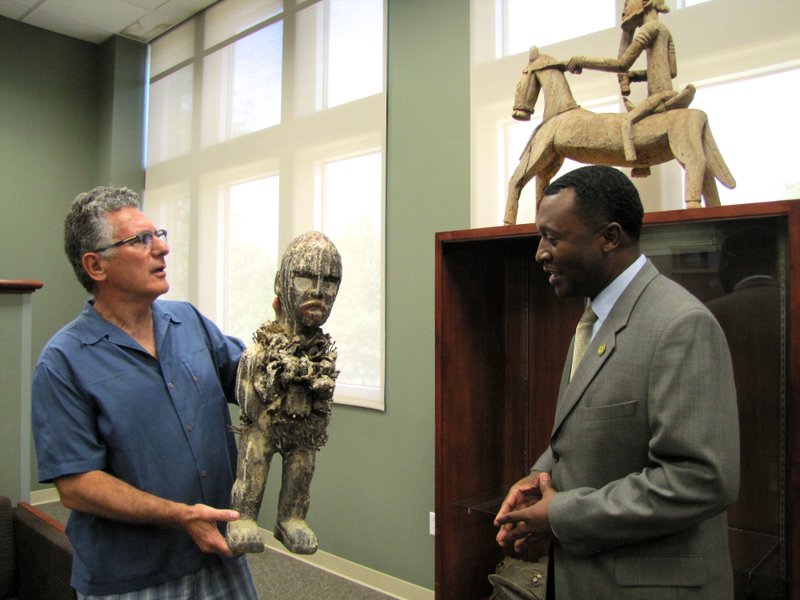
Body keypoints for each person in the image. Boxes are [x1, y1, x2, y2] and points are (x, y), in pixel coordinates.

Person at [493, 165, 739, 598]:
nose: (540, 253)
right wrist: (539, 478)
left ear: (609, 237)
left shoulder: (681, 325)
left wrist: (561, 515)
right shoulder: (595, 319)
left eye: (553, 237)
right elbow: (587, 425)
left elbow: (700, 479)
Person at [31, 187, 258, 598]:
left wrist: (289, 336)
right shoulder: (62, 362)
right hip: (132, 578)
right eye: (141, 239)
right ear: (96, 265)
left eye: (160, 234)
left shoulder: (189, 321)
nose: (164, 248)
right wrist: (182, 516)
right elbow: (77, 485)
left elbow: (253, 385)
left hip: (220, 556)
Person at [226, 231, 341, 555]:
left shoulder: (323, 351)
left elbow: (325, 396)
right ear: (281, 283)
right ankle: (244, 517)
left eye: (330, 281)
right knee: (254, 463)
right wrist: (256, 409)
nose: (319, 290)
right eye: (305, 278)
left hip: (304, 428)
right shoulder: (263, 345)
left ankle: (290, 518)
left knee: (302, 469)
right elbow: (245, 386)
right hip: (264, 424)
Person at [567, 0, 695, 162]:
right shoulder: (664, 30)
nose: (624, 10)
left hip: (657, 97)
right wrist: (634, 76)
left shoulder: (650, 28)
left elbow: (622, 63)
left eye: (627, 4)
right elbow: (671, 71)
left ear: (645, 3)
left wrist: (583, 61)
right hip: (668, 93)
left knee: (626, 122)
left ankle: (637, 163)